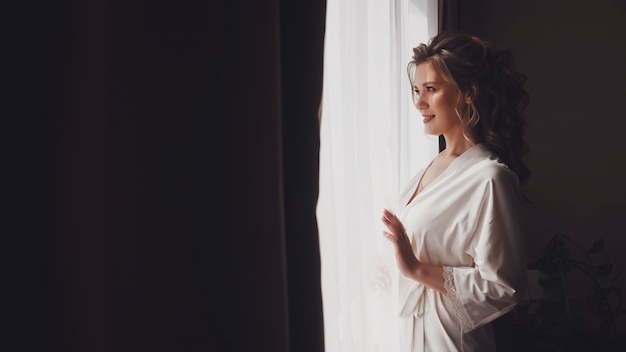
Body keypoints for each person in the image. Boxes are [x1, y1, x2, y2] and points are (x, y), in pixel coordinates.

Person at [380, 30, 530, 351]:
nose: (419, 102)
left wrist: (417, 269)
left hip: (451, 340)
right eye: (417, 90)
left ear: (468, 93)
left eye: (431, 89)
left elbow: (504, 286)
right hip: (409, 335)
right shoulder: (426, 170)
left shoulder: (491, 178)